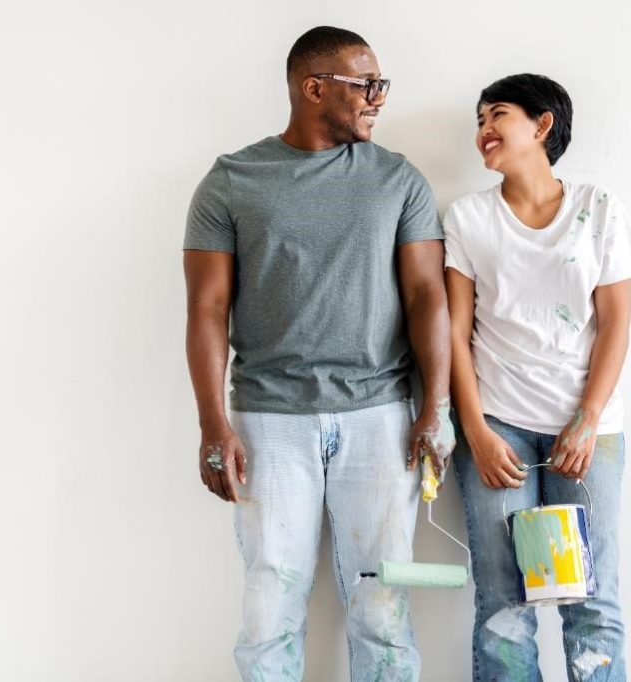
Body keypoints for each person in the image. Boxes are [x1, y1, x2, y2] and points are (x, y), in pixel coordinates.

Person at [183, 26, 455, 681]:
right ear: (314, 89)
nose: (378, 99)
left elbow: (426, 297)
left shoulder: (397, 179)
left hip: (381, 414)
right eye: (367, 85)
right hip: (267, 417)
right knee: (269, 601)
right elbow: (207, 310)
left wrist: (435, 407)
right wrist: (213, 425)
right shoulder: (231, 181)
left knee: (382, 606)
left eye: (381, 85)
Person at [444, 74, 631, 681]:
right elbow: (454, 333)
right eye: (478, 120)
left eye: (496, 115)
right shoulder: (468, 218)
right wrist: (476, 431)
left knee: (591, 601)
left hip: (587, 435)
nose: (483, 130)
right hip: (498, 429)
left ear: (542, 125)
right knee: (503, 604)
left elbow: (616, 326)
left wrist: (586, 422)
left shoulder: (599, 208)